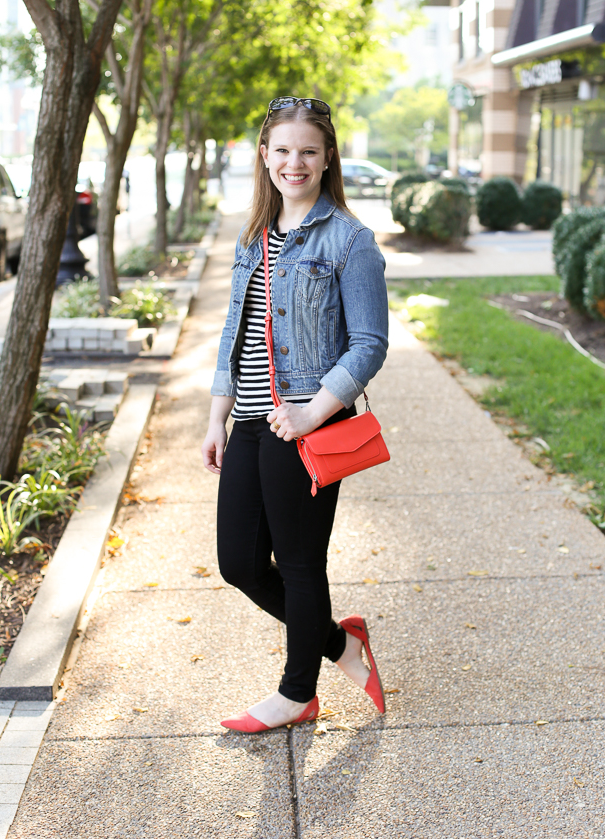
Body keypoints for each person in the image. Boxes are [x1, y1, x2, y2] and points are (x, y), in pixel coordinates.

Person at [201, 96, 389, 733]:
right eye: (282, 150)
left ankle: (297, 693)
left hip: (308, 426)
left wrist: (314, 412)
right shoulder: (253, 236)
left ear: (327, 157)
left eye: (308, 150)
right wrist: (214, 417)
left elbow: (369, 343)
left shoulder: (351, 241)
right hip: (251, 424)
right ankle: (339, 644)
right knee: (240, 564)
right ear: (264, 156)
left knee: (302, 563)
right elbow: (235, 328)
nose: (294, 162)